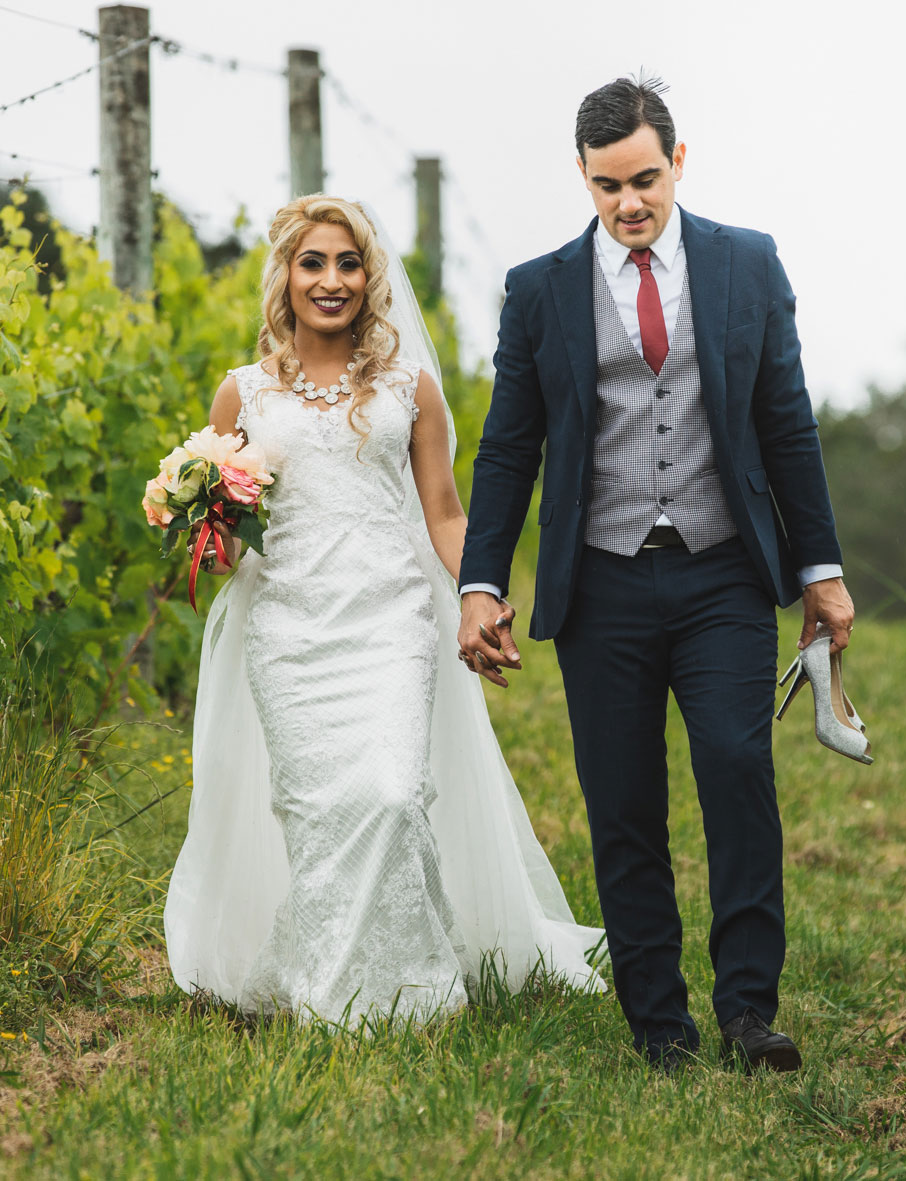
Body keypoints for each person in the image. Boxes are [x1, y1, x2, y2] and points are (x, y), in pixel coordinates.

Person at [456, 77, 852, 1073]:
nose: (627, 203)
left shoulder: (744, 264)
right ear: (582, 180)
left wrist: (820, 568)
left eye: (642, 179)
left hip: (721, 571)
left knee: (733, 764)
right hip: (602, 581)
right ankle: (657, 1024)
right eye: (605, 187)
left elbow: (785, 421)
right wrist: (480, 581)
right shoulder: (539, 288)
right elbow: (508, 448)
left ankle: (747, 1011)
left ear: (677, 162)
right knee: (621, 801)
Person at [162, 196, 602, 1027]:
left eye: (348, 264)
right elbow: (223, 534)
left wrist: (482, 593)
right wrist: (196, 522)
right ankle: (342, 988)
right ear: (284, 277)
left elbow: (443, 510)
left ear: (371, 277)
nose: (331, 281)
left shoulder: (410, 387)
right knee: (323, 809)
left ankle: (400, 988)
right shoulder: (243, 394)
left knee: (393, 793)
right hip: (290, 626)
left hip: (391, 619)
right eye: (313, 263)